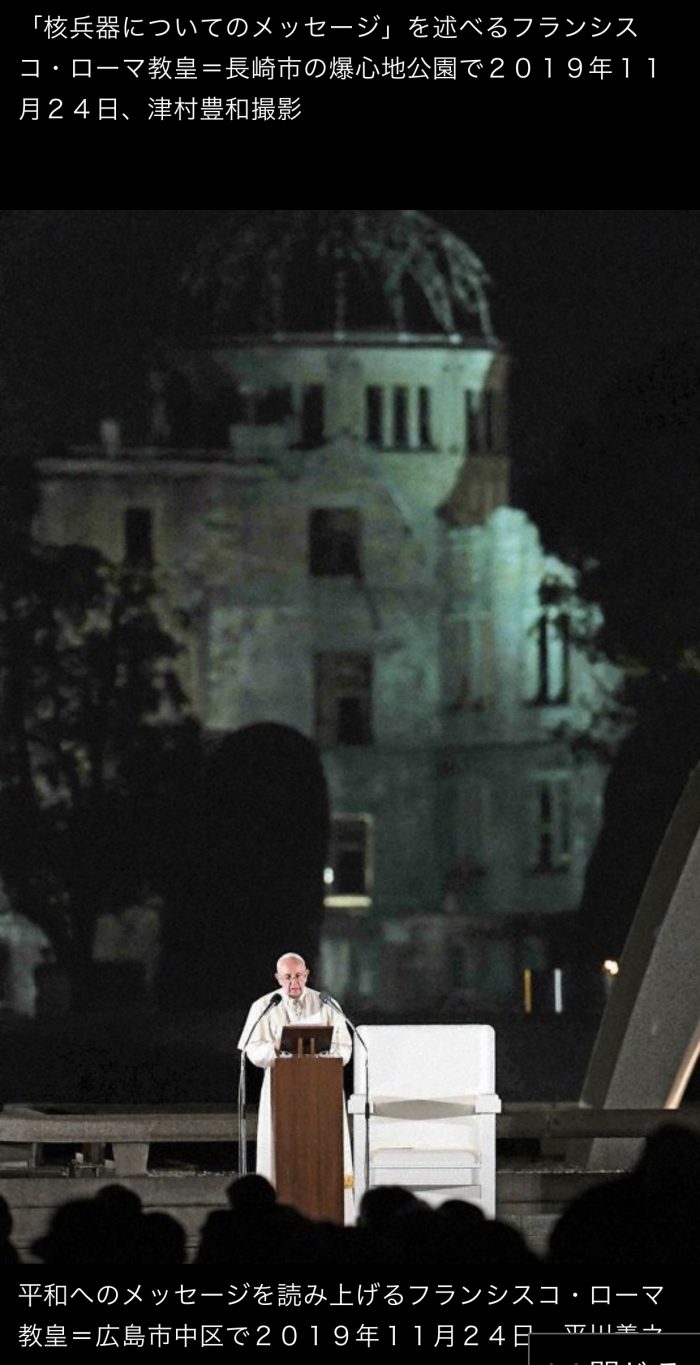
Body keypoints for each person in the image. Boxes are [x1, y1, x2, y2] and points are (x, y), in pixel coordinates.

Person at [238, 952, 354, 1220]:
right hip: (282, 1089)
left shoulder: (326, 1004)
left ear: (307, 974)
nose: (294, 983)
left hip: (322, 1090)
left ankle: (331, 1212)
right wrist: (276, 1047)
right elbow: (253, 1052)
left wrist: (320, 1054)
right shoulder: (265, 1006)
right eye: (288, 977)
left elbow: (345, 1049)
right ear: (278, 978)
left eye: (299, 976)